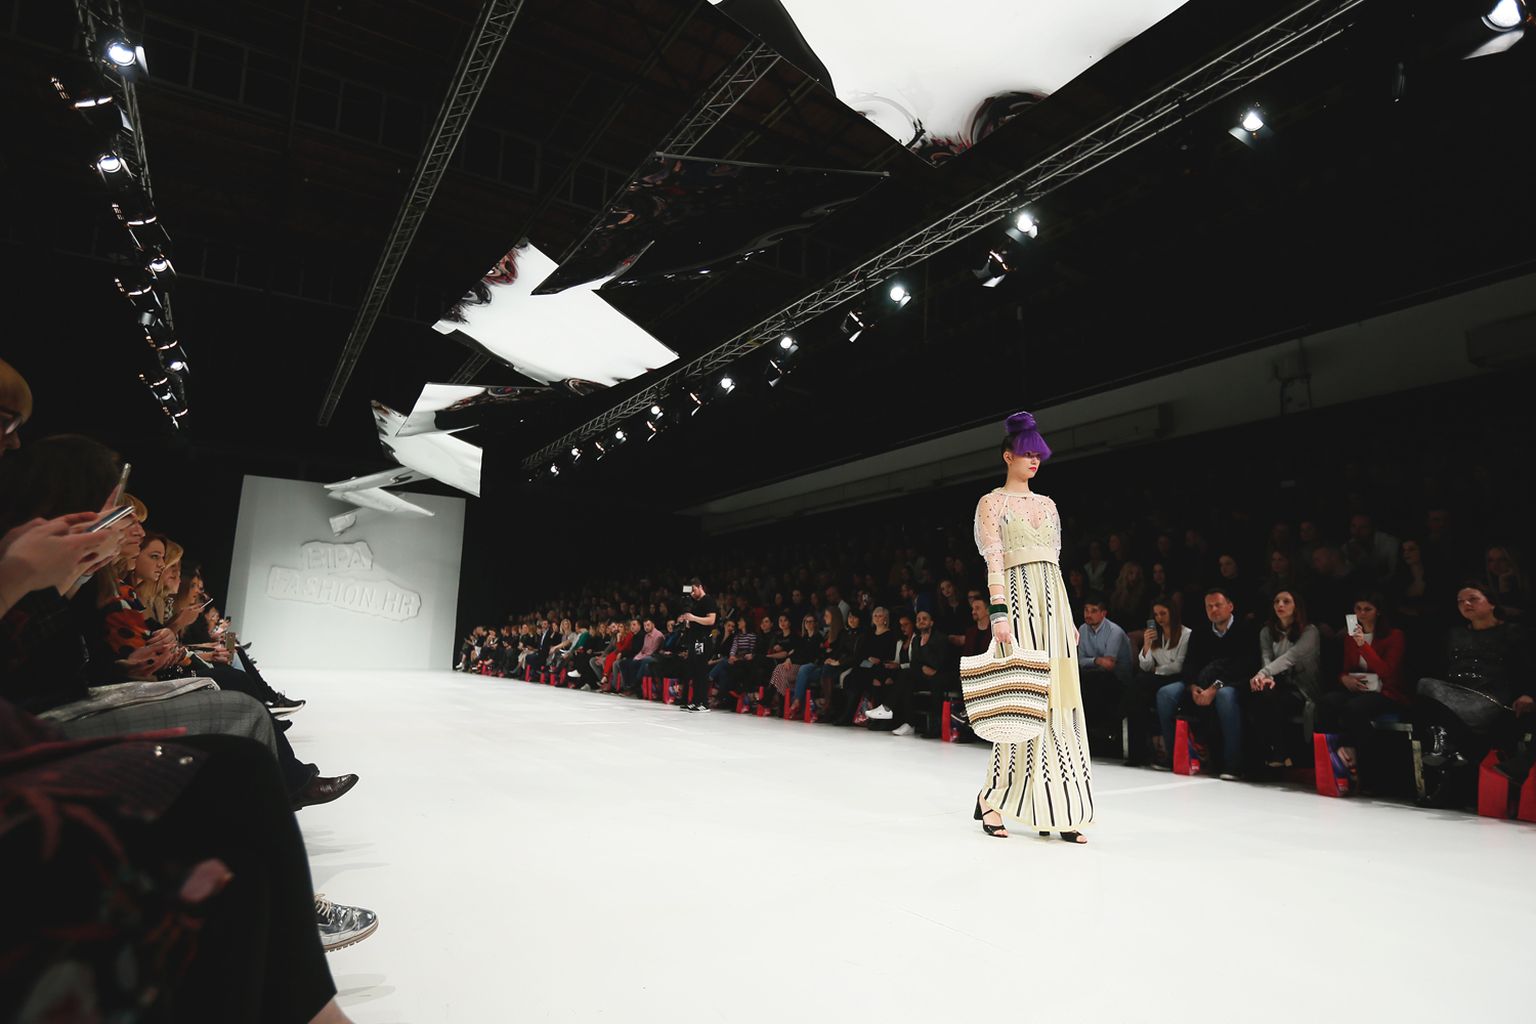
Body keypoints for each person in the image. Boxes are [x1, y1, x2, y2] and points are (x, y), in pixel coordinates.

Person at [972, 412, 1092, 843]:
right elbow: (994, 559)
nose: (1034, 460)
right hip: (1018, 601)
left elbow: (1054, 564)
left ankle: (1060, 807)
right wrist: (998, 613)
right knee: (1021, 700)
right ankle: (993, 797)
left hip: (1052, 603)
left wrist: (1068, 617)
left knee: (1061, 701)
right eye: (1027, 453)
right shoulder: (991, 503)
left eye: (1038, 454)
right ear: (1008, 456)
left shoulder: (1048, 505)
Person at [1413, 583, 1534, 807]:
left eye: (1473, 599)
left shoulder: (1512, 632)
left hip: (1491, 698)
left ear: (1492, 603)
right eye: (1460, 601)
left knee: (1439, 713)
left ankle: (1446, 749)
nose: (1466, 604)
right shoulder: (1454, 634)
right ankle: (1447, 751)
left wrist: (1529, 694)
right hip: (1455, 696)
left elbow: (1528, 668)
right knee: (1425, 687)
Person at [1155, 588, 1258, 779]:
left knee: (1225, 695)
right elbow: (1190, 663)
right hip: (1201, 682)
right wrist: (1192, 686)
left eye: (1218, 605)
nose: (1213, 610)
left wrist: (1214, 688)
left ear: (1230, 606)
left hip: (1234, 683)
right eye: (1209, 606)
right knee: (1166, 693)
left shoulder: (1245, 629)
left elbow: (1243, 666)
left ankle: (1233, 764)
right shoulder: (1200, 631)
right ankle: (1174, 757)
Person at [1315, 593, 1407, 782]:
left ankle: (1365, 766)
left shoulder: (1394, 636)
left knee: (1354, 709)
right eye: (1358, 609)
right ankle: (1333, 759)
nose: (1362, 613)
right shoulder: (1350, 638)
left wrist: (1363, 645)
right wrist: (1344, 679)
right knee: (1327, 703)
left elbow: (1386, 671)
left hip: (1385, 691)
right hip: (1358, 689)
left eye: (1367, 609)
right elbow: (1346, 669)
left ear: (1378, 612)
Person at [1247, 590, 1321, 769]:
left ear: (1297, 607)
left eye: (1286, 601)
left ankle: (1279, 752)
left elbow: (1291, 657)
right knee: (1259, 694)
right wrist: (1267, 677)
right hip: (1278, 682)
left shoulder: (1310, 631)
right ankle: (1270, 754)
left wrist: (1263, 673)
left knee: (1273, 701)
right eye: (1277, 601)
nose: (1280, 605)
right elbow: (1266, 656)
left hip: (1303, 688)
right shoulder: (1267, 631)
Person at [1122, 599, 1190, 766]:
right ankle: (1137, 753)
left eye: (1163, 613)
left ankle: (1159, 753)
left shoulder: (1185, 634)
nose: (1160, 618)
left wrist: (1157, 670)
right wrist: (1146, 645)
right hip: (1157, 677)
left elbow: (1178, 666)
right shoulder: (1155, 635)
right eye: (1156, 614)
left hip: (1177, 678)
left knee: (1139, 685)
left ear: (1172, 613)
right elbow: (1145, 666)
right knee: (1136, 689)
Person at [1076, 593, 1133, 752]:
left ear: (1103, 613)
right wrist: (1096, 660)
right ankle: (1086, 735)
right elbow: (1079, 660)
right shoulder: (1082, 629)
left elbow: (1109, 665)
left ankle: (1100, 735)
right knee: (1081, 681)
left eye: (1094, 611)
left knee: (1098, 681)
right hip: (1093, 676)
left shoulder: (1114, 631)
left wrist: (1093, 661)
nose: (1088, 614)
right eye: (1086, 610)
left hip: (1119, 679)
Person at [677, 577, 718, 712]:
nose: (692, 593)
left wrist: (693, 618)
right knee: (694, 670)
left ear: (700, 587)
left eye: (694, 590)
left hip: (703, 640)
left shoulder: (708, 600)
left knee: (701, 671)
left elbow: (711, 620)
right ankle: (695, 700)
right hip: (695, 639)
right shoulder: (695, 602)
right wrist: (687, 621)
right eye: (691, 591)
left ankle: (704, 702)